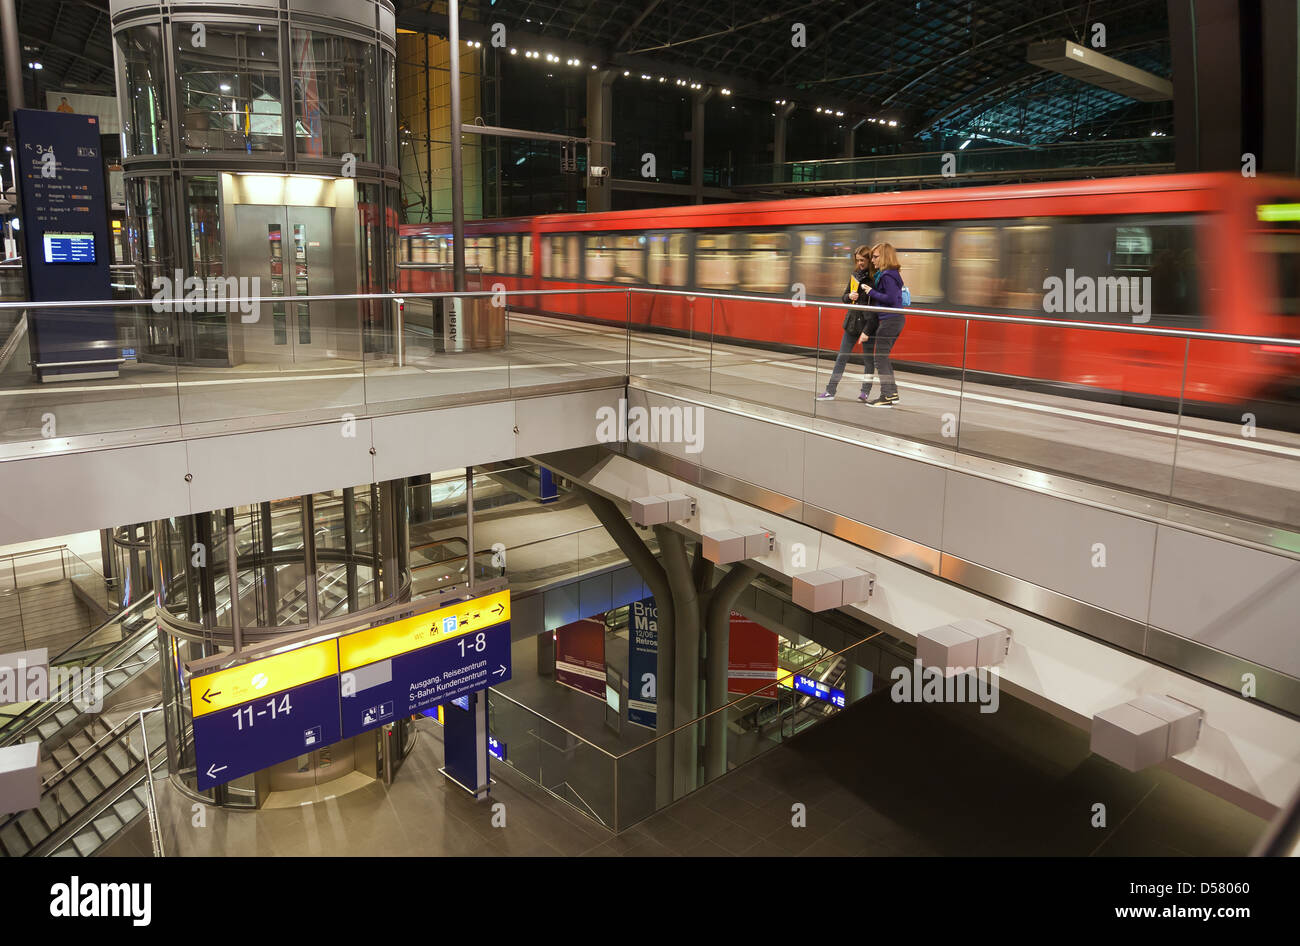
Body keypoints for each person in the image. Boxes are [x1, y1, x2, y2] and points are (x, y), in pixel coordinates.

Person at [817, 245, 876, 401]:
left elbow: (877, 304)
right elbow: (843, 297)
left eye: (862, 260)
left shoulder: (875, 278)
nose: (860, 263)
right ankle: (830, 390)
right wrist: (850, 295)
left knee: (868, 360)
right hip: (851, 322)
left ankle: (865, 392)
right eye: (857, 260)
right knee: (841, 357)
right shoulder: (855, 275)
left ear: (869, 260)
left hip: (868, 324)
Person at [860, 242, 905, 406]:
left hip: (890, 320)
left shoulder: (887, 275)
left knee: (879, 358)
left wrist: (871, 292)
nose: (872, 260)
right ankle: (891, 393)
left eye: (876, 256)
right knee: (883, 357)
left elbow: (891, 299)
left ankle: (887, 395)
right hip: (893, 319)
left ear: (885, 257)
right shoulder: (889, 274)